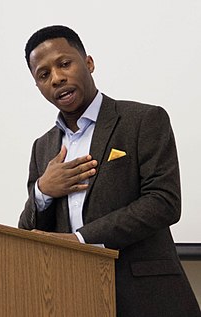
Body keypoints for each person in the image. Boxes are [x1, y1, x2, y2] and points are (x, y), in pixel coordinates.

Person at [18, 25, 201, 316]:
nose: (57, 78)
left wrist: (82, 240)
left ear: (88, 63)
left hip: (148, 297)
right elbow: (28, 233)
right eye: (44, 74)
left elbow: (164, 202)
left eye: (65, 64)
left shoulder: (143, 120)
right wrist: (42, 191)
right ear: (38, 86)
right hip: (75, 297)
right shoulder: (42, 147)